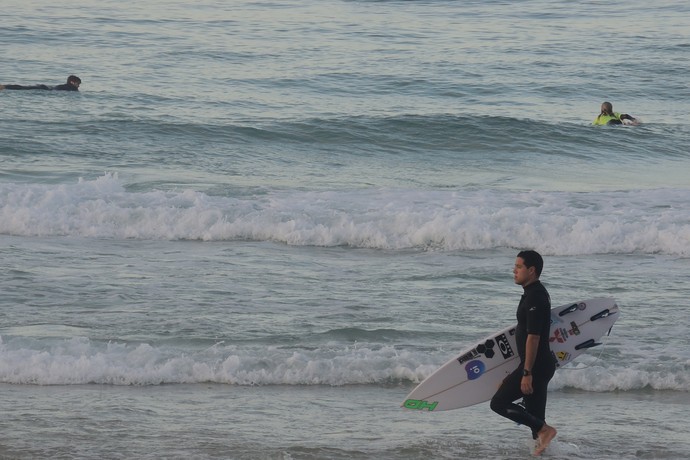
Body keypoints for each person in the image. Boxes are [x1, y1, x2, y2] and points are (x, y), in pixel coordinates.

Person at [490, 250, 557, 456]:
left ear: (531, 270)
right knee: (535, 423)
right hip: (539, 365)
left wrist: (526, 373)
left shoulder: (535, 296)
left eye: (519, 267)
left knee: (498, 403)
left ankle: (546, 430)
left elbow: (533, 337)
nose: (514, 270)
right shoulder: (533, 293)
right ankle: (543, 439)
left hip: (535, 367)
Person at [0, 75, 81, 92]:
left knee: (23, 87)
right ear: (72, 82)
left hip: (45, 87)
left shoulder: (66, 86)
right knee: (23, 88)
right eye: (78, 83)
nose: (79, 85)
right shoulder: (71, 88)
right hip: (44, 89)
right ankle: (4, 86)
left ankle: (4, 86)